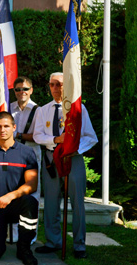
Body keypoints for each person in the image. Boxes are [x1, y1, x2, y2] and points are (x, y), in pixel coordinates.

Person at [33, 72, 98, 259]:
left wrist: (73, 149)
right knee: (52, 202)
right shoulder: (42, 110)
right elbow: (37, 136)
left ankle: (79, 245)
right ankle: (53, 241)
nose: (55, 88)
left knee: (77, 203)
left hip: (73, 159)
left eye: (59, 84)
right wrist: (55, 139)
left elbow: (90, 137)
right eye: (52, 84)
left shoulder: (78, 110)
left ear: (66, 86)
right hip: (51, 160)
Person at [0, 112, 39, 265]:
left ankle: (24, 248)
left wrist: (11, 196)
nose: (2, 130)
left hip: (15, 203)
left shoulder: (27, 152)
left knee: (31, 202)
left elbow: (32, 184)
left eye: (6, 126)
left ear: (14, 128)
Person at [8, 76, 42, 242]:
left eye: (25, 89)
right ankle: (13, 234)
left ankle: (30, 236)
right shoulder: (9, 107)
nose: (22, 92)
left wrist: (18, 135)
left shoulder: (38, 110)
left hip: (31, 153)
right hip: (13, 153)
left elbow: (39, 136)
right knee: (13, 189)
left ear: (31, 90)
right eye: (18, 89)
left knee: (32, 193)